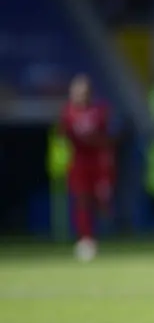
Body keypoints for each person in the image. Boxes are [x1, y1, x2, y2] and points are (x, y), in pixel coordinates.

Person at [58, 74, 114, 261]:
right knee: (81, 200)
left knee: (101, 201)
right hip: (79, 162)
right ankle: (85, 238)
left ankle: (99, 235)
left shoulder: (100, 110)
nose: (80, 96)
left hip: (98, 162)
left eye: (84, 92)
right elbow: (63, 137)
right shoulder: (68, 113)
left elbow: (107, 137)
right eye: (77, 92)